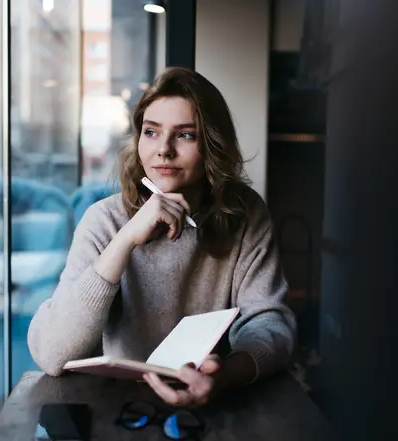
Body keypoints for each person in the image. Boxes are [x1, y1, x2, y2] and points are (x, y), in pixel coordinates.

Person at [27, 67, 297, 408]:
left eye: (185, 135)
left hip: (214, 402)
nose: (164, 150)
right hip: (119, 407)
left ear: (213, 144)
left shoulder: (245, 215)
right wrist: (124, 241)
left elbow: (270, 322)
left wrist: (225, 374)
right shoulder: (103, 220)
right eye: (151, 132)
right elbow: (51, 353)